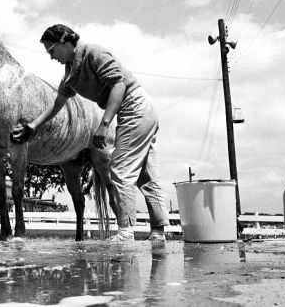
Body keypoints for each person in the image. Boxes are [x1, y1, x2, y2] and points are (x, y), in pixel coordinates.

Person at [10, 24, 168, 242]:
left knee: (120, 170)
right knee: (145, 175)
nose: (50, 57)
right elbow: (58, 103)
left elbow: (118, 87)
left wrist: (104, 124)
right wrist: (33, 126)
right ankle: (159, 230)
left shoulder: (93, 53)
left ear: (65, 43)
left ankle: (125, 232)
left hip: (135, 106)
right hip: (135, 110)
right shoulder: (70, 74)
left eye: (51, 50)